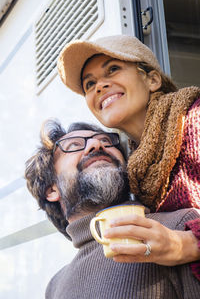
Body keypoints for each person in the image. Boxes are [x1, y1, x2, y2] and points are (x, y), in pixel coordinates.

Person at [56, 34, 200, 279]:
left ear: (152, 79)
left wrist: (186, 244)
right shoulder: (139, 172)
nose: (99, 86)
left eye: (113, 69)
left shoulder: (193, 120)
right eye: (89, 84)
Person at [25, 119, 200, 298]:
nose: (97, 144)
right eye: (73, 145)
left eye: (107, 141)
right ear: (52, 190)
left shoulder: (181, 228)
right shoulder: (54, 286)